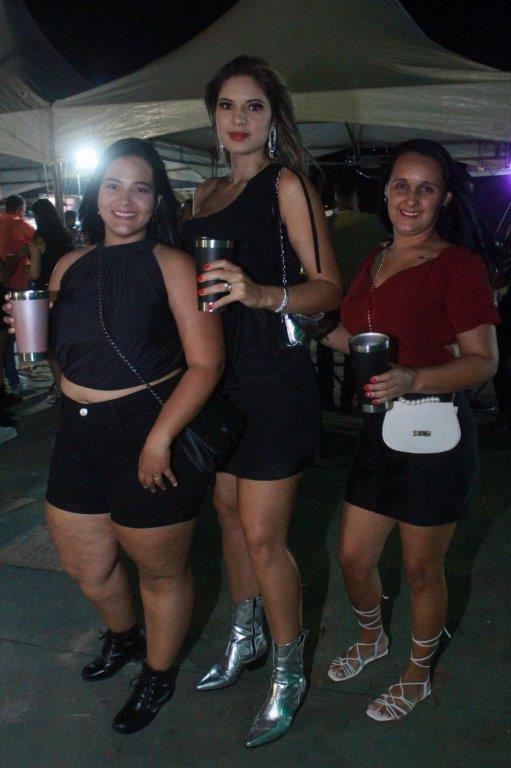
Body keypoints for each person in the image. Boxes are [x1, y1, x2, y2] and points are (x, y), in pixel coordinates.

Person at [4, 138, 224, 734]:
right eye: (113, 186)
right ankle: (126, 637)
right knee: (87, 565)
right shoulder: (68, 266)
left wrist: (159, 439)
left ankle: (158, 672)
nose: (126, 200)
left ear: (158, 200)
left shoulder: (174, 264)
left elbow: (206, 363)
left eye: (140, 188)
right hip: (77, 433)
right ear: (95, 197)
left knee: (161, 572)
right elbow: (63, 352)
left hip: (149, 430)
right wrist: (28, 335)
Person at [180, 55, 341, 747]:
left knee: (263, 535)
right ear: (212, 116)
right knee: (225, 514)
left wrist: (260, 293)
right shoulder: (203, 193)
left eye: (253, 107)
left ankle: (287, 670)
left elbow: (327, 287)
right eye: (227, 106)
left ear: (273, 117)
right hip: (216, 378)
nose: (239, 119)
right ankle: (244, 635)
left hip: (274, 379)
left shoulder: (286, 183)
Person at [321, 139, 499, 721]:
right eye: (402, 185)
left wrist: (413, 377)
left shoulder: (458, 266)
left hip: (436, 434)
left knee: (422, 570)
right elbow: (358, 341)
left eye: (426, 188)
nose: (411, 199)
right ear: (386, 191)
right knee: (353, 557)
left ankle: (418, 673)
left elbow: (483, 361)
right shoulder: (375, 258)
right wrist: (299, 320)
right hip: (379, 433)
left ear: (444, 199)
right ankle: (372, 637)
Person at [0, 194, 34, 408]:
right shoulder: (19, 224)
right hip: (14, 287)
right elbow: (38, 242)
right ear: (20, 209)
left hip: (5, 288)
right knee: (8, 340)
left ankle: (11, 381)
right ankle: (12, 383)